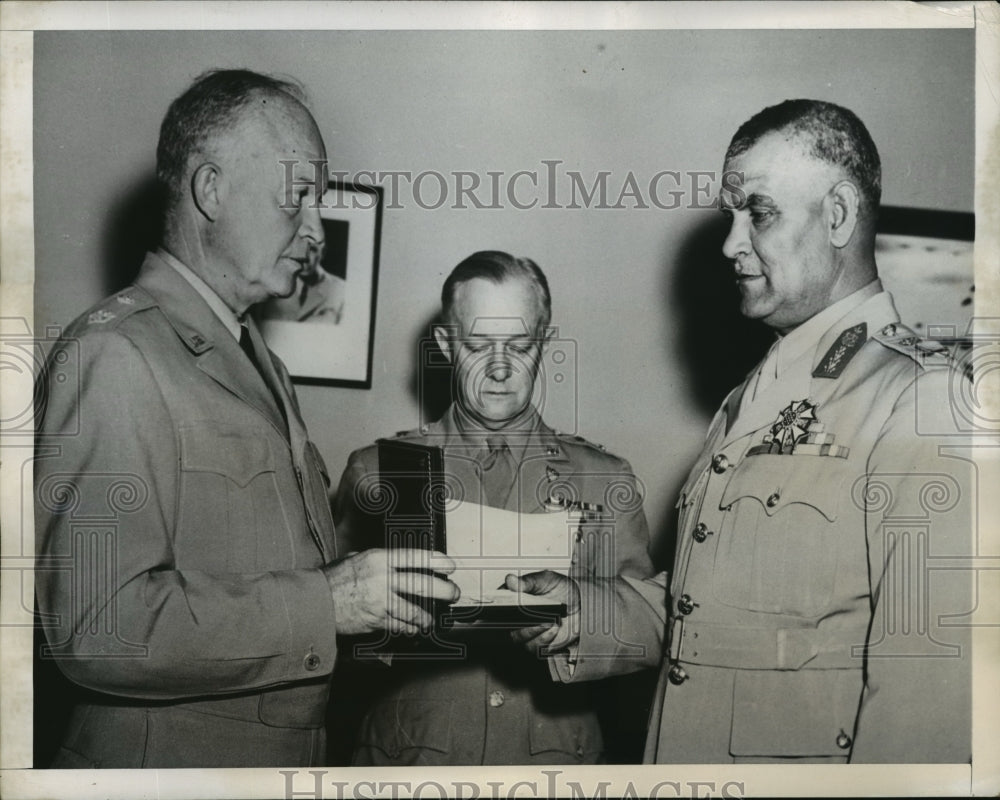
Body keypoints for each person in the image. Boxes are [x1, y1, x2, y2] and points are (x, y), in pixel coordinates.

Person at [513, 99, 973, 763]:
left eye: (759, 212)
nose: (730, 244)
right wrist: (582, 612)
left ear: (838, 215)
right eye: (731, 215)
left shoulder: (922, 398)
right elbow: (711, 613)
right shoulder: (755, 394)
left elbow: (929, 692)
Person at [33, 69, 458, 769]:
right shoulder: (115, 353)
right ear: (211, 189)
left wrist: (370, 593)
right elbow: (97, 628)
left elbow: (261, 573)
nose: (316, 231)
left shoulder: (258, 362)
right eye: (298, 197)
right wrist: (329, 602)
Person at [331, 251, 655, 765]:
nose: (501, 369)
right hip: (413, 766)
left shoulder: (603, 478)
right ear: (446, 345)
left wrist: (579, 615)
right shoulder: (379, 472)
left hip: (553, 766)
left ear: (543, 342)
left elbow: (647, 631)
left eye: (520, 346)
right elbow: (330, 641)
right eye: (479, 346)